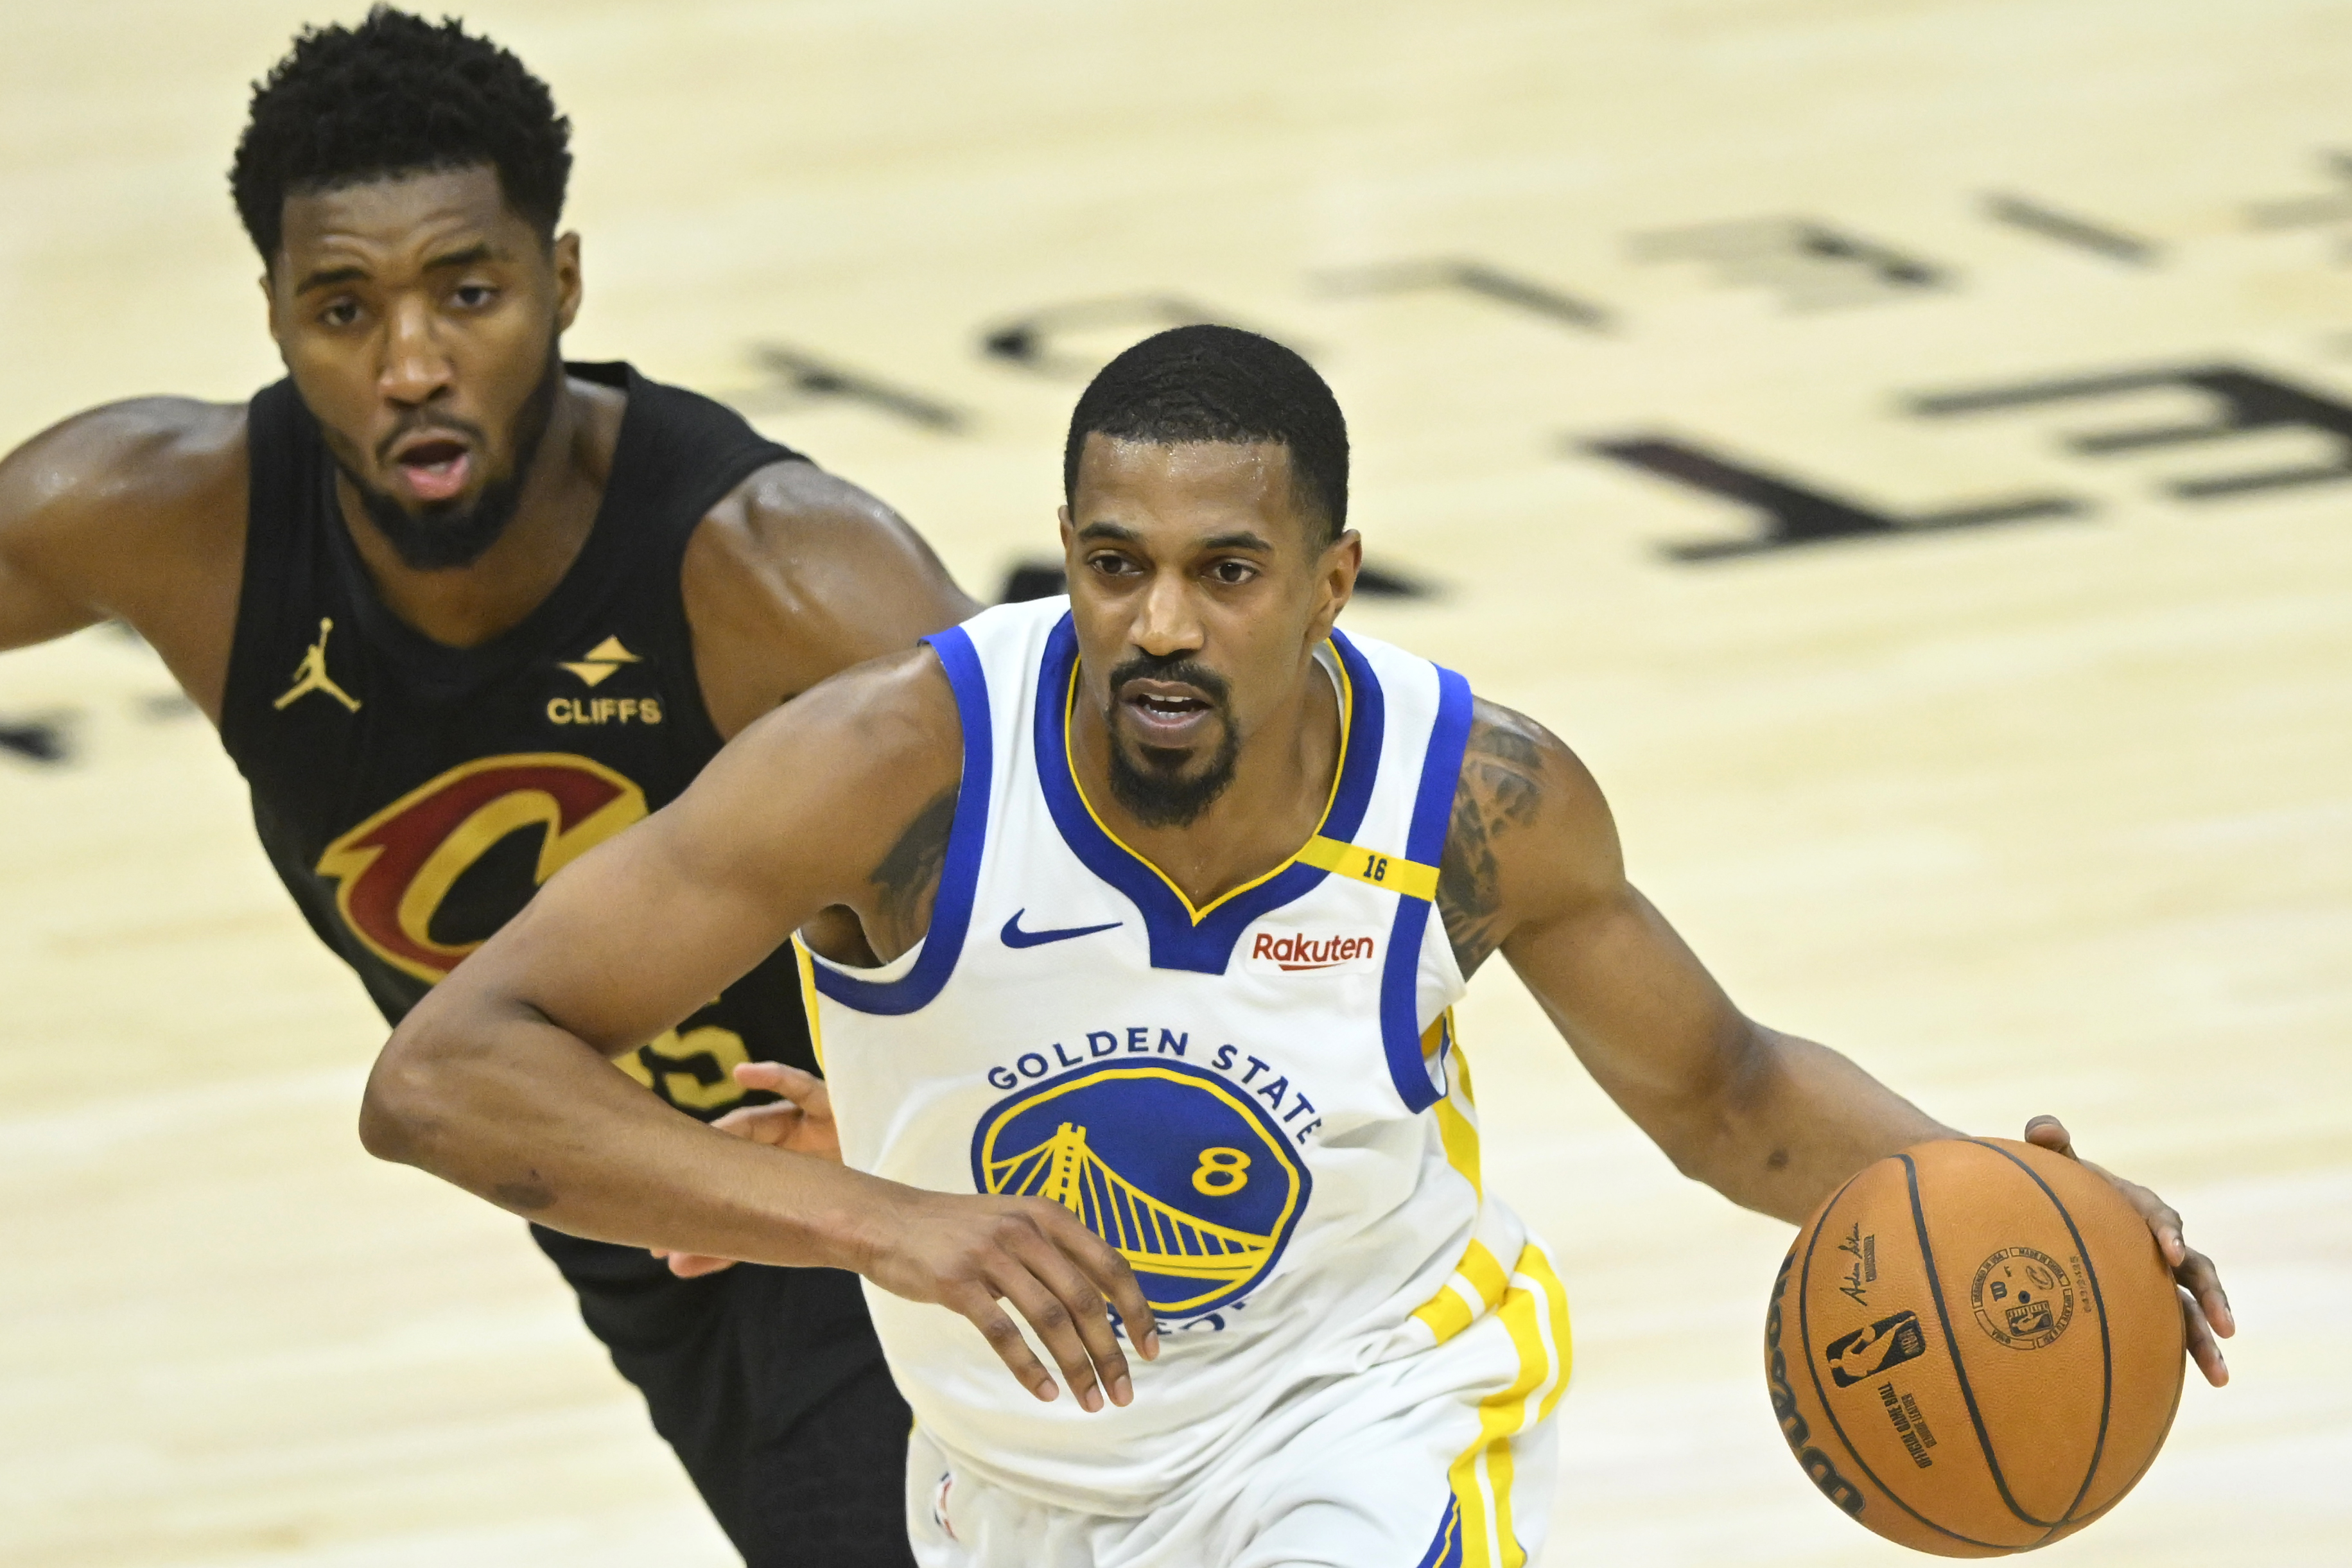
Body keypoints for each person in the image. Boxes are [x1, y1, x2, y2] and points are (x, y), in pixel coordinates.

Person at [367, 325, 2233, 1566]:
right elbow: (444, 1075)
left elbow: (1726, 1094)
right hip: (1011, 1489)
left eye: (1227, 573)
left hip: (1358, 1420)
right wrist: (882, 1212)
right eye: (1115, 564)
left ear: (1334, 580)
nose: (1159, 622)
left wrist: (1990, 1181)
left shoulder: (1478, 801)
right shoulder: (895, 766)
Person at [0, 10, 973, 1564]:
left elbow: (1098, 882)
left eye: (469, 294)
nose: (410, 366)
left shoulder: (785, 570)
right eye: (341, 307)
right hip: (624, 1223)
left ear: (561, 283)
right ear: (270, 317)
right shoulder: (157, 521)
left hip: (881, 1198)